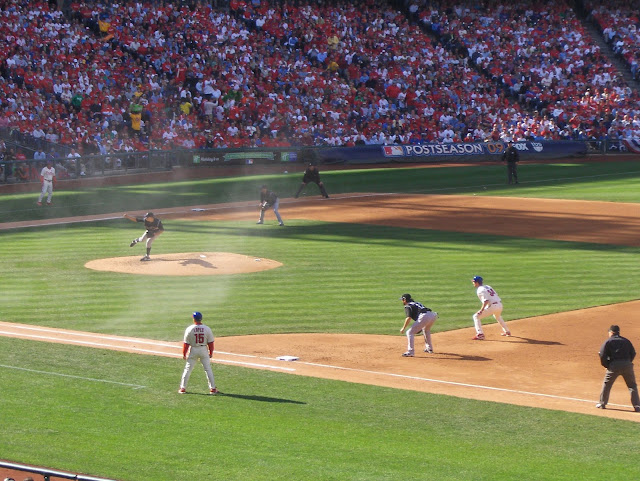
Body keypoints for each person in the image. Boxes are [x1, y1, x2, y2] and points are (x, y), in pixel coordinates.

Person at [596, 325, 640, 412]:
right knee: (632, 386)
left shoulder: (608, 341)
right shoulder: (626, 341)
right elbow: (633, 353)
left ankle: (602, 403)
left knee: (607, 384)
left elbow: (602, 354)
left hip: (614, 366)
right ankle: (637, 406)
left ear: (611, 332)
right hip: (627, 365)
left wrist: (607, 365)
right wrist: (628, 362)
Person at [179, 311, 217, 395]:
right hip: (203, 349)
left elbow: (186, 344)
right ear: (201, 318)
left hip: (193, 350)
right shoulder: (207, 328)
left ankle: (182, 388)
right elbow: (211, 343)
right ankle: (213, 388)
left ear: (194, 319)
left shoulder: (189, 329)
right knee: (208, 369)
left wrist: (184, 354)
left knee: (188, 369)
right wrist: (211, 352)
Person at [470, 276, 511, 340]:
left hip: (493, 306)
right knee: (497, 316)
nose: (473, 283)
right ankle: (507, 331)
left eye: (474, 282)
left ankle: (480, 334)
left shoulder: (480, 290)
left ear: (477, 283)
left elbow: (486, 301)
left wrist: (481, 310)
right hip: (499, 305)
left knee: (476, 316)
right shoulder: (487, 286)